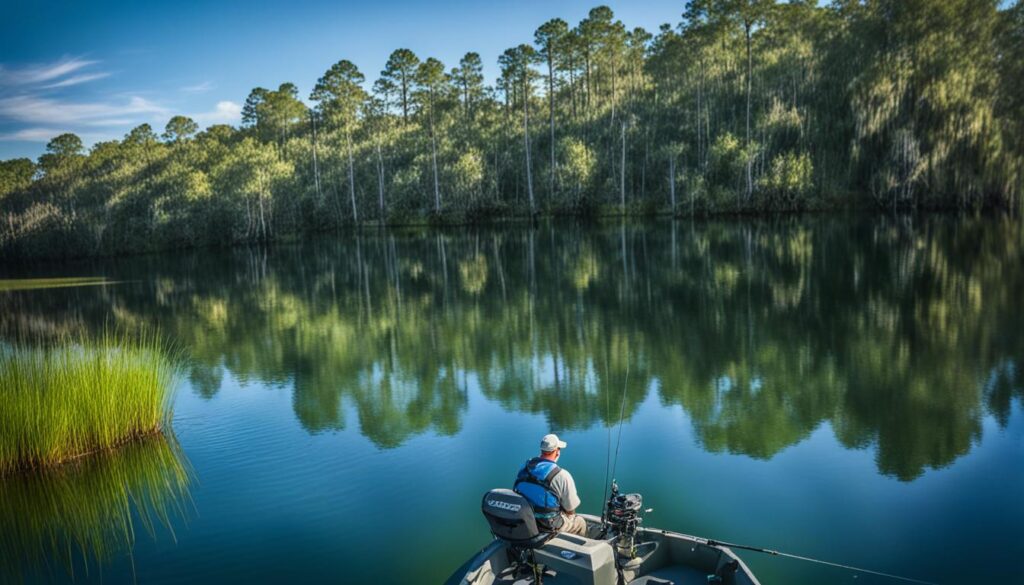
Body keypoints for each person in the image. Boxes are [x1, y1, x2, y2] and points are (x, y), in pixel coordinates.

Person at [513, 433, 588, 536]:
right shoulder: (562, 475)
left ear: (542, 451)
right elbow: (570, 510)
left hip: (525, 519)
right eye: (559, 449)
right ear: (557, 451)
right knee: (580, 522)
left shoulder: (525, 466)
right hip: (547, 525)